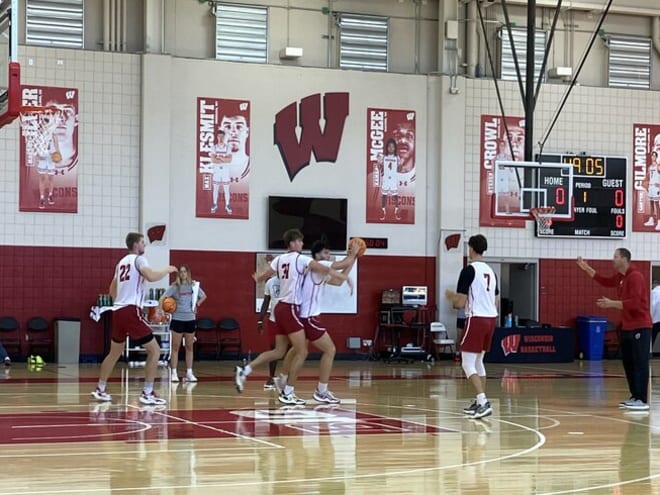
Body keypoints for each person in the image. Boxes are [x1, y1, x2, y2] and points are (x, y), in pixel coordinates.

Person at [236, 228, 349, 405]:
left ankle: (246, 370)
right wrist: (343, 276)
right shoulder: (301, 259)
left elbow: (263, 277)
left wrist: (258, 278)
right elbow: (322, 267)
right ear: (292, 243)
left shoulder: (279, 259)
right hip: (290, 308)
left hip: (279, 308)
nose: (302, 244)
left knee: (280, 351)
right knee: (302, 350)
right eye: (299, 241)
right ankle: (288, 392)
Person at [91, 232, 177, 405]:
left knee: (114, 352)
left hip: (118, 311)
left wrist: (121, 300)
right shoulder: (139, 260)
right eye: (143, 243)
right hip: (131, 311)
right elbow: (151, 276)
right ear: (136, 244)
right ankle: (147, 393)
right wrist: (166, 270)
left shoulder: (121, 263)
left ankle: (100, 389)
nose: (144, 246)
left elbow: (111, 291)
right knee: (155, 350)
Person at [274, 239, 357, 404]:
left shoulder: (314, 270)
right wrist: (353, 253)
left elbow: (339, 281)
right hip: (308, 317)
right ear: (318, 255)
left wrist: (353, 259)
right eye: (326, 252)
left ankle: (282, 379)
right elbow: (341, 264)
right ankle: (321, 391)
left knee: (298, 350)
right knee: (330, 350)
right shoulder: (320, 264)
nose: (329, 255)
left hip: (302, 315)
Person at [576, 249, 652, 411]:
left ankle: (641, 399)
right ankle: (634, 396)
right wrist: (586, 268)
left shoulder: (635, 276)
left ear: (624, 259)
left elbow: (636, 303)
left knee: (640, 363)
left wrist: (612, 303)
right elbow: (604, 281)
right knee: (629, 363)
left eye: (615, 257)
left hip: (640, 326)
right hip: (627, 326)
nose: (613, 260)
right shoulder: (621, 277)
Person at [445, 234, 499, 420]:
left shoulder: (468, 270)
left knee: (467, 363)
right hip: (491, 319)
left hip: (476, 319)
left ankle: (483, 402)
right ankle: (479, 401)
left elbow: (460, 303)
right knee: (478, 362)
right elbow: (496, 300)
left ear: (471, 249)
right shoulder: (491, 271)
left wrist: (451, 297)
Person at [160, 264, 207, 383]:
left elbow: (204, 296)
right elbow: (163, 298)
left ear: (188, 273)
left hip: (190, 318)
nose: (182, 274)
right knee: (175, 347)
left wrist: (197, 304)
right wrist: (162, 311)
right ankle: (174, 373)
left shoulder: (194, 286)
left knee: (189, 347)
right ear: (178, 274)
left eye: (184, 272)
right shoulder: (175, 287)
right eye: (181, 272)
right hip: (177, 319)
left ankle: (189, 373)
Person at [217, 113, 250, 215]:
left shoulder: (254, 169)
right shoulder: (208, 169)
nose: (233, 131)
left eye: (239, 127)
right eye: (227, 127)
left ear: (247, 132)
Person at [257, 274, 281, 390]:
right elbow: (266, 302)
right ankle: (271, 377)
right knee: (274, 350)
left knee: (293, 349)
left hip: (289, 320)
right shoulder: (271, 282)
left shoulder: (293, 280)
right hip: (274, 321)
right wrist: (260, 320)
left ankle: (287, 379)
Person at [209, 128, 232, 214]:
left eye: (222, 136)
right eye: (219, 136)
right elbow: (213, 160)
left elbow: (229, 159)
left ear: (224, 137)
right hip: (217, 171)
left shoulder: (227, 147)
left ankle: (228, 204)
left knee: (226, 189)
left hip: (225, 171)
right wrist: (224, 159)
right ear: (217, 137)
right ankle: (214, 204)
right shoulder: (214, 147)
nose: (221, 138)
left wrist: (220, 158)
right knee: (216, 188)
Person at [377, 138, 401, 221]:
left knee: (395, 197)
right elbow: (380, 168)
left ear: (395, 148)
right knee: (384, 196)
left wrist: (400, 166)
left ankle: (396, 212)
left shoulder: (397, 158)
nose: (391, 148)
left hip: (393, 180)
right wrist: (378, 162)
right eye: (389, 146)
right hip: (386, 179)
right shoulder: (383, 157)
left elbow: (399, 169)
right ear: (387, 148)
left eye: (393, 146)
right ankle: (383, 211)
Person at [35, 133, 59, 209]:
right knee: (42, 179)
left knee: (51, 178)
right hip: (42, 156)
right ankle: (42, 198)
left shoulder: (53, 134)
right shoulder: (39, 134)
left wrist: (58, 156)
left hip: (51, 157)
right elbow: (35, 146)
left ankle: (50, 195)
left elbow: (57, 146)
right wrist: (36, 156)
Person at [644, 153, 660, 229]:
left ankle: (659, 221)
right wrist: (646, 185)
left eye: (654, 156)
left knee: (657, 204)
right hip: (651, 187)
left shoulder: (658, 166)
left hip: (656, 187)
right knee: (651, 204)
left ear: (656, 157)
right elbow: (647, 177)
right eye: (652, 156)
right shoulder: (649, 167)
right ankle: (651, 220)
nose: (653, 157)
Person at [652, 281, 660, 349]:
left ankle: (649, 351)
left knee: (652, 336)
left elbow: (653, 305)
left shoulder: (654, 292)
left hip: (656, 319)